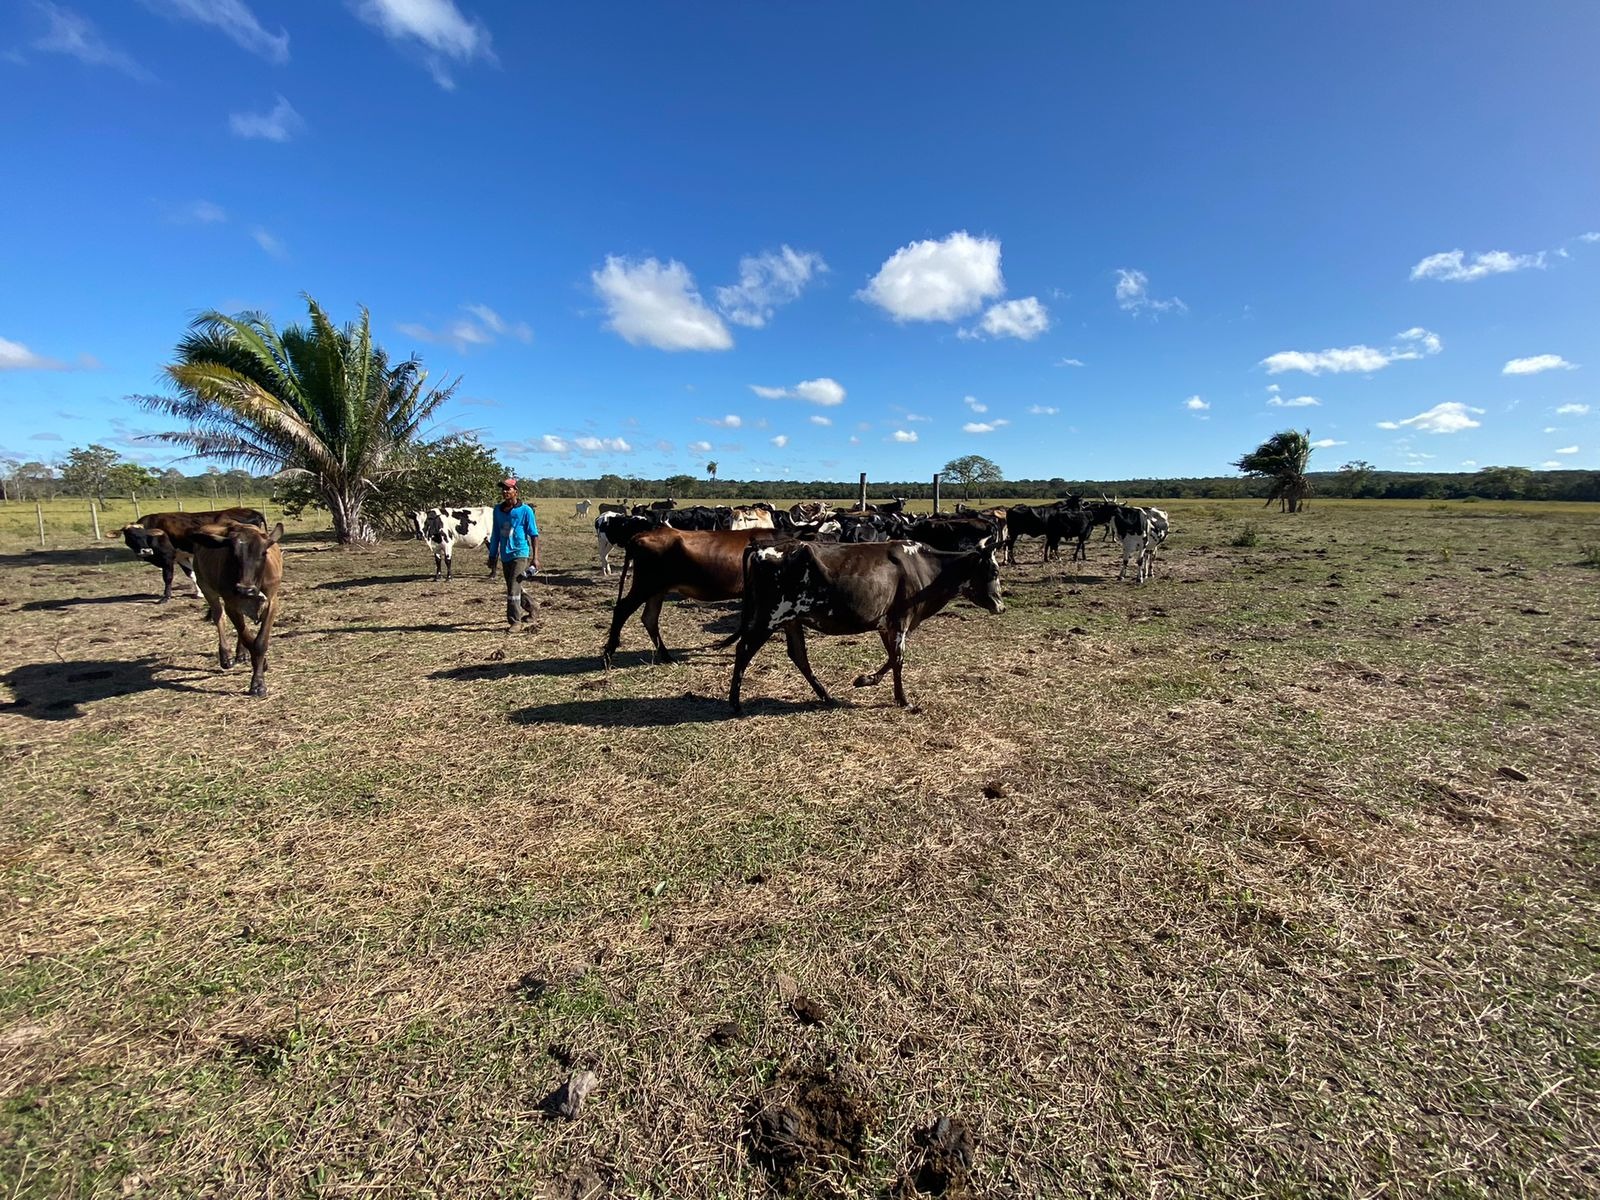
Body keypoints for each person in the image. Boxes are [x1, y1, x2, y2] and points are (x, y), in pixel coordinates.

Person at [486, 478, 540, 625]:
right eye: (503, 489)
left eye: (508, 489)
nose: (505, 492)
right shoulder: (497, 510)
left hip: (521, 553)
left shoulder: (525, 510)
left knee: (513, 590)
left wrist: (535, 558)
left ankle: (515, 621)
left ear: (515, 491)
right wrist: (492, 555)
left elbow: (534, 534)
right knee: (513, 587)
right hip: (505, 554)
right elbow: (495, 534)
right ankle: (533, 606)